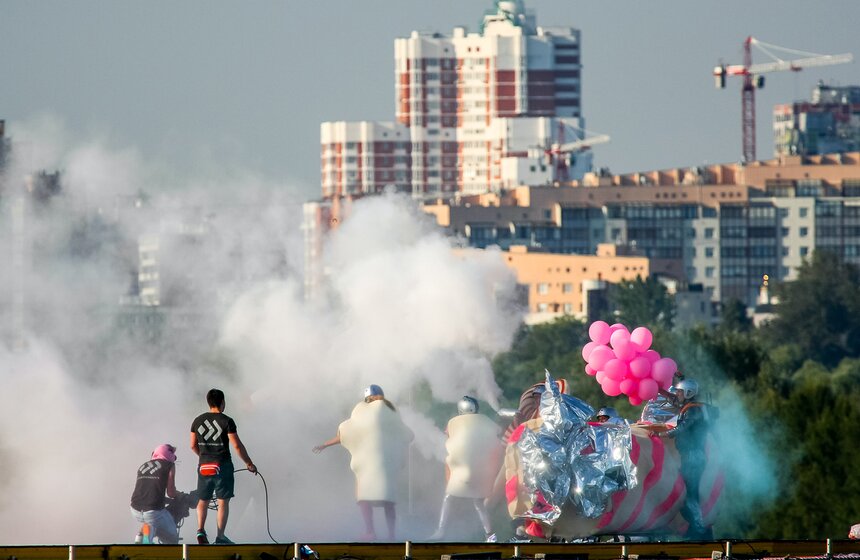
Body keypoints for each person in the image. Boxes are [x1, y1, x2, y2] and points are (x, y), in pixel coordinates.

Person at [313, 384, 413, 541]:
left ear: (367, 398)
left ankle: (370, 532)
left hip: (366, 463)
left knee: (364, 497)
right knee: (388, 500)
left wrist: (325, 444)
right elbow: (406, 434)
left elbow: (345, 433)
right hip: (386, 463)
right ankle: (392, 535)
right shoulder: (391, 411)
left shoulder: (361, 412)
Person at [429, 396, 504, 542]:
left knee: (449, 498)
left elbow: (447, 440)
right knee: (479, 503)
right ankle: (490, 535)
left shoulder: (453, 423)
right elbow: (496, 435)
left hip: (462, 469)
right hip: (481, 469)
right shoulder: (486, 421)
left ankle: (441, 531)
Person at [650, 379, 716, 540]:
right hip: (693, 456)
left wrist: (661, 435)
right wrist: (660, 389)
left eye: (680, 392)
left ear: (688, 393)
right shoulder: (691, 407)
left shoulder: (693, 410)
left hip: (693, 456)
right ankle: (700, 528)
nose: (677, 394)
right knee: (688, 493)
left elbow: (682, 427)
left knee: (690, 495)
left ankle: (698, 529)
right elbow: (675, 400)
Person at [190, 388, 257, 545]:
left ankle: (200, 530)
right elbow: (237, 446)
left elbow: (192, 445)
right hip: (223, 466)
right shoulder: (227, 421)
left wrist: (204, 456)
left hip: (204, 465)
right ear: (222, 402)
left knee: (203, 500)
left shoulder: (197, 420)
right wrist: (249, 463)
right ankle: (220, 537)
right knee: (222, 502)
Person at [130, 444, 180, 544]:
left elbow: (148, 491)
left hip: (135, 509)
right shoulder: (170, 465)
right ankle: (146, 539)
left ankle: (143, 535)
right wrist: (180, 495)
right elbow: (171, 493)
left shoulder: (143, 466)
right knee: (173, 537)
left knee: (152, 522)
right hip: (153, 513)